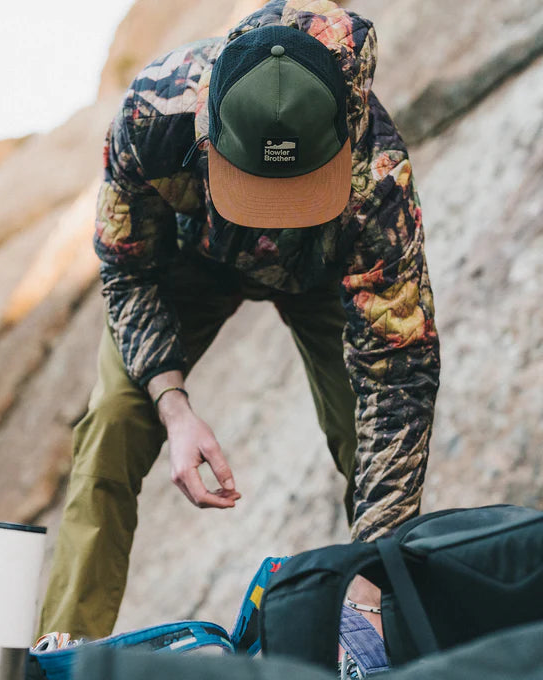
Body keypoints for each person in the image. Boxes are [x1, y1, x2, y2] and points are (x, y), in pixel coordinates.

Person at [37, 0, 440, 641]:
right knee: (114, 422)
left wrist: (370, 575)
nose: (272, 215)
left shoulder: (377, 177)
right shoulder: (152, 115)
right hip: (190, 263)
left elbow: (401, 375)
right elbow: (126, 268)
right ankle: (59, 653)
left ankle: (393, 633)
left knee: (366, 440)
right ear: (210, 131)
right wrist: (172, 404)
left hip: (319, 272)